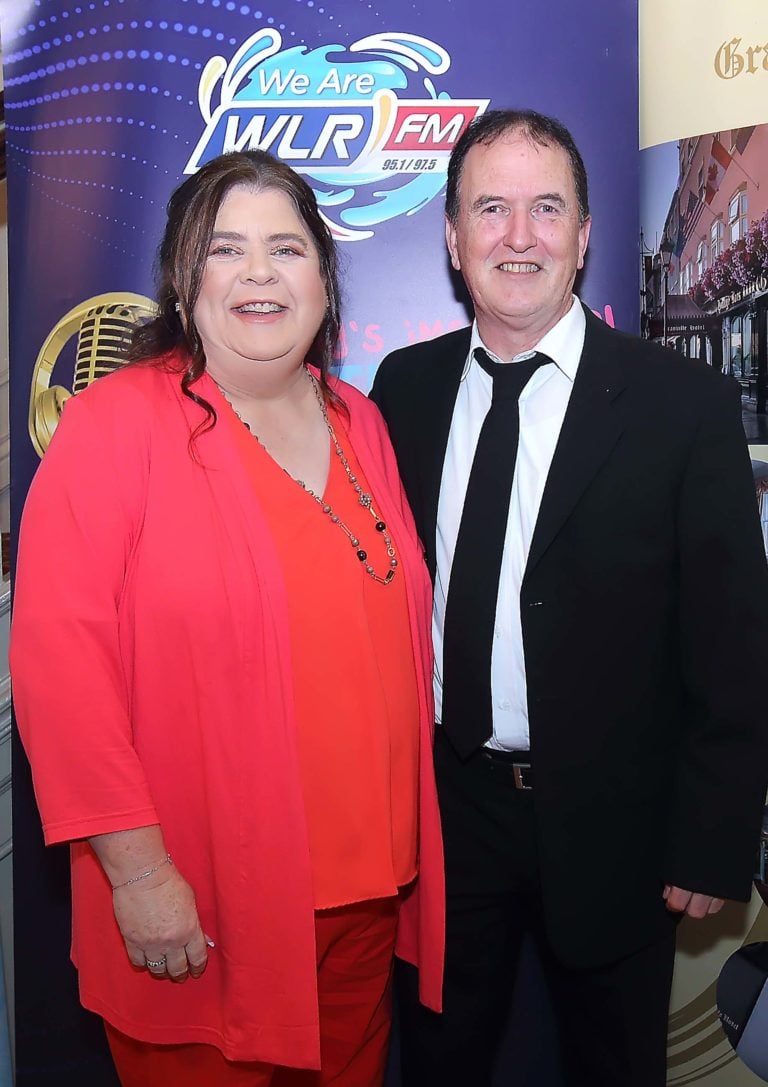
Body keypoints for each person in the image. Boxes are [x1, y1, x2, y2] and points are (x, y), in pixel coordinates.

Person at [11, 149, 444, 1087]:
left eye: (286, 248)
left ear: (323, 280)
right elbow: (60, 670)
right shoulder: (113, 426)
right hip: (207, 905)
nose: (259, 273)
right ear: (182, 280)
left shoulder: (359, 420)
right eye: (225, 249)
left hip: (367, 896)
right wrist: (138, 873)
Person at [370, 109, 768, 1087]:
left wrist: (713, 835)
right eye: (491, 209)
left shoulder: (681, 405)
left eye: (547, 209)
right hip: (445, 815)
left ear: (584, 237)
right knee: (438, 1063)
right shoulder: (402, 390)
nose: (520, 236)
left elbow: (733, 642)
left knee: (613, 1066)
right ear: (453, 237)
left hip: (618, 820)